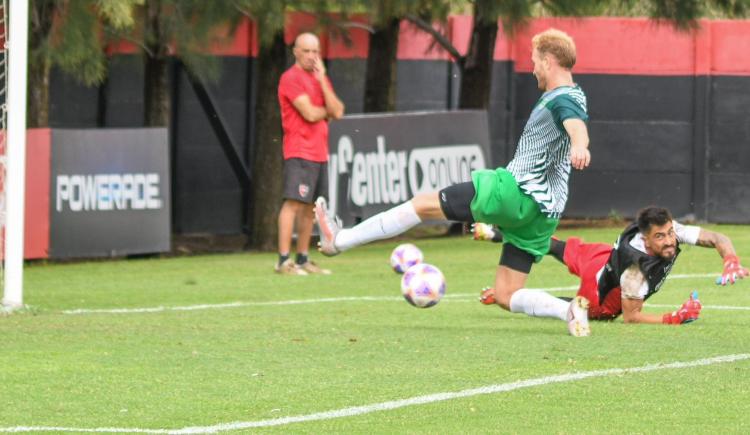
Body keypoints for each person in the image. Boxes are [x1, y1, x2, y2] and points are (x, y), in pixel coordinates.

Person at [315, 28, 592, 332]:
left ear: (550, 60)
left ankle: (339, 241)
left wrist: (580, 145)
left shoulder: (562, 98)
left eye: (536, 60)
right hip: (544, 214)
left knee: (421, 205)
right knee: (505, 293)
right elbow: (573, 122)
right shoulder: (575, 94)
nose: (533, 67)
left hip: (516, 191)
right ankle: (568, 311)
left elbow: (575, 125)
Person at [477, 206, 749, 330]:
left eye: (669, 234)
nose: (669, 242)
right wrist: (674, 317)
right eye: (660, 237)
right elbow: (632, 317)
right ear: (644, 239)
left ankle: (494, 234)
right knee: (576, 308)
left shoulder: (671, 230)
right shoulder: (635, 272)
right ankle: (508, 297)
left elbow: (717, 238)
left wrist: (730, 260)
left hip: (602, 258)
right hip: (601, 296)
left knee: (556, 247)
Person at [276, 32, 345, 275]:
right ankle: (284, 261)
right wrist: (325, 111)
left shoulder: (318, 79)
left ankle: (303, 258)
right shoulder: (290, 78)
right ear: (295, 51)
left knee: (311, 208)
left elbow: (338, 111)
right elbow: (310, 114)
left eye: (316, 51)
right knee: (293, 203)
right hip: (299, 150)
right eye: (306, 51)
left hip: (319, 152)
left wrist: (323, 79)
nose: (312, 56)